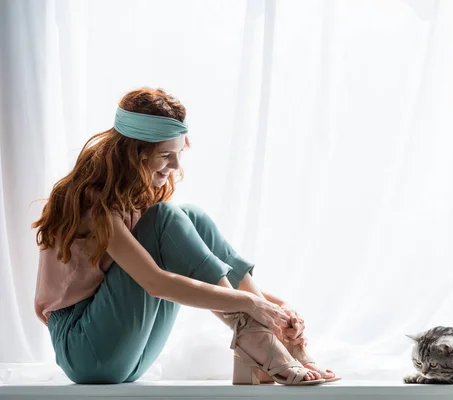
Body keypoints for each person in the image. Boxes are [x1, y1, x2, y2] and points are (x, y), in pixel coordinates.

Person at [32, 88, 339, 385]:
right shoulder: (93, 203)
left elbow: (192, 270)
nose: (177, 165)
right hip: (85, 350)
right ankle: (255, 337)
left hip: (126, 351)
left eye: (179, 153)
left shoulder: (136, 197)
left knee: (192, 217)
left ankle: (263, 338)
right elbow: (155, 282)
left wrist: (277, 310)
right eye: (166, 155)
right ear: (132, 154)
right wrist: (251, 305)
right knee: (167, 217)